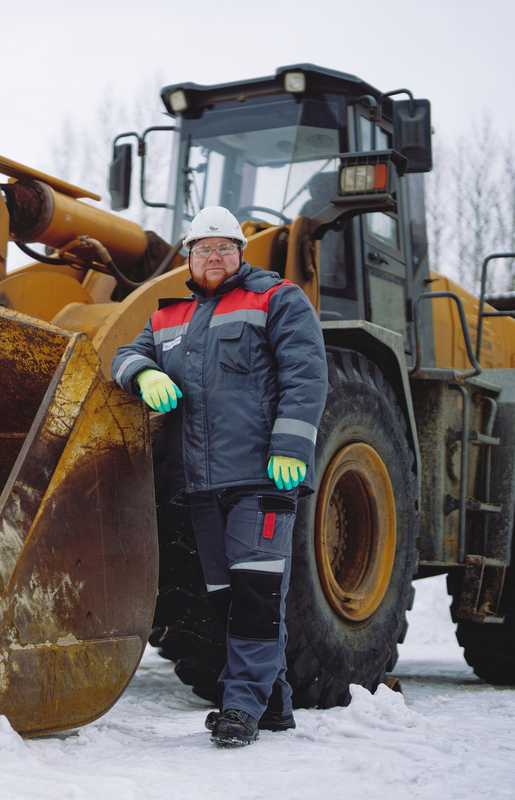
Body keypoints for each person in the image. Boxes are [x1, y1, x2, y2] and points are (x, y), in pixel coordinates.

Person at [111, 206, 327, 747]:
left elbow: (305, 376)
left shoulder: (277, 299)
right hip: (201, 485)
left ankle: (240, 709)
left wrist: (291, 446)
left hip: (262, 478)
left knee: (256, 594)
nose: (214, 257)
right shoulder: (169, 317)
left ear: (240, 253)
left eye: (224, 248)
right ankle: (273, 704)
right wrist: (144, 371)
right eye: (203, 249)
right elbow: (124, 354)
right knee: (228, 598)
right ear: (189, 257)